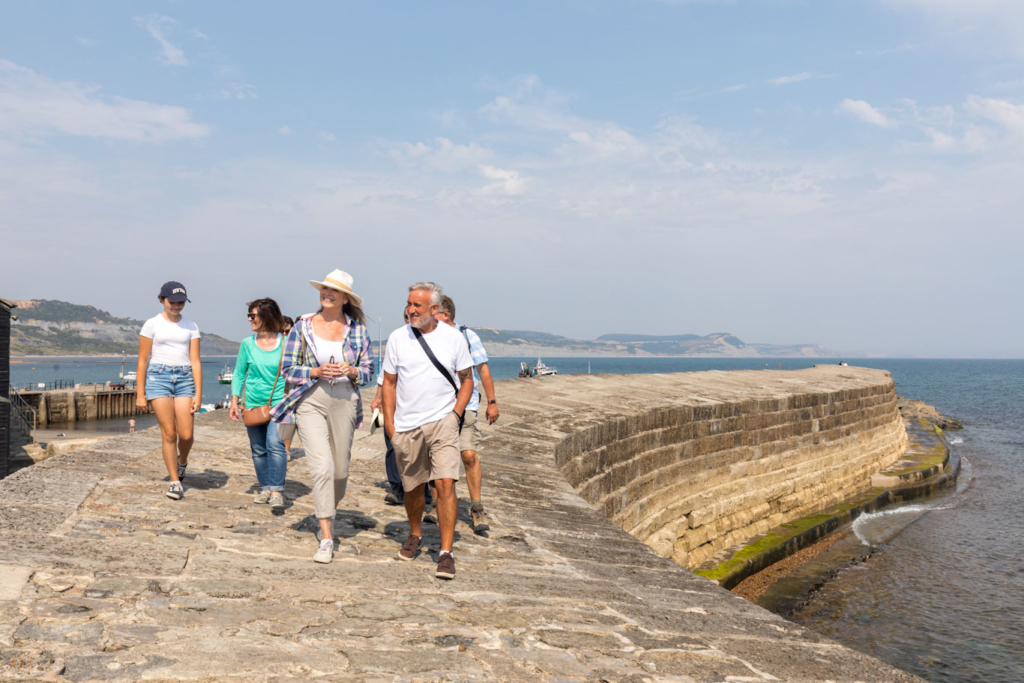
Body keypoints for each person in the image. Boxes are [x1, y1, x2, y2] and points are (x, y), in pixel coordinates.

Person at [269, 270, 373, 564]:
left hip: (344, 400)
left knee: (340, 471)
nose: (327, 293)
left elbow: (368, 371)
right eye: (325, 289)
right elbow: (288, 369)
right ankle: (326, 535)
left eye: (334, 291)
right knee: (322, 467)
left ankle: (328, 506)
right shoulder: (302, 326)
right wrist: (314, 371)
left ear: (345, 298)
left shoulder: (358, 330)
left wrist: (353, 371)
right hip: (310, 399)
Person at [382, 282, 473, 580]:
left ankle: (446, 553)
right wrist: (391, 425)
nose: (411, 309)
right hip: (407, 425)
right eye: (409, 303)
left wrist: (455, 415)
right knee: (413, 488)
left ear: (435, 309)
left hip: (443, 421)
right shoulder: (397, 338)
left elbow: (467, 380)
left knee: (445, 483)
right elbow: (390, 383)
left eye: (417, 305)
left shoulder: (454, 339)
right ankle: (416, 534)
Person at [436, 295, 499, 533]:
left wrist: (492, 402)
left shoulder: (467, 336)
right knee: (438, 456)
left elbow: (483, 370)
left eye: (435, 313)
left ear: (446, 315)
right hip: (439, 406)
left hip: (469, 405)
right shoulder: (430, 336)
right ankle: (437, 503)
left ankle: (476, 507)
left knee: (469, 454)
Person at [135, 281, 202, 501]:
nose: (176, 305)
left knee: (186, 434)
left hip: (184, 379)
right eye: (172, 301)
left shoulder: (191, 326)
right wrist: (140, 394)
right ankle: (174, 482)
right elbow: (143, 360)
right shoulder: (151, 324)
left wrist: (199, 394)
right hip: (158, 377)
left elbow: (195, 361)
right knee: (169, 433)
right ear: (162, 299)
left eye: (181, 302)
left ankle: (182, 462)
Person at [370, 309, 433, 513]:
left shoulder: (431, 339)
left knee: (422, 449)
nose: (409, 319)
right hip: (393, 403)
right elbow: (385, 375)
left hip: (419, 406)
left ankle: (424, 490)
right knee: (392, 445)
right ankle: (397, 487)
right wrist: (378, 398)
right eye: (406, 316)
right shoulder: (397, 338)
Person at [230, 298, 289, 510]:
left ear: (266, 316)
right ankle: (265, 488)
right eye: (249, 315)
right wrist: (235, 400)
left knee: (275, 444)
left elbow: (293, 373)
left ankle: (277, 491)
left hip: (279, 403)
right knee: (258, 449)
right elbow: (238, 374)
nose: (249, 319)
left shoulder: (285, 342)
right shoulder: (247, 344)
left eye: (253, 315)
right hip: (252, 404)